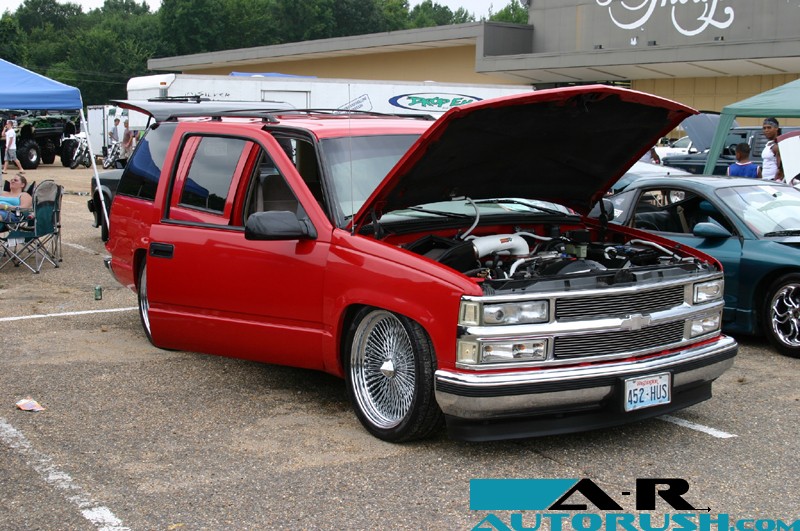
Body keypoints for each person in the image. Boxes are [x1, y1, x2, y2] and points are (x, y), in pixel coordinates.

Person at [761, 117, 783, 181]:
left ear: (776, 128)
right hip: (765, 180)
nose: (766, 130)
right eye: (764, 128)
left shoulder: (777, 146)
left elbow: (781, 168)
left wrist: (776, 181)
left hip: (773, 181)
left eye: (769, 127)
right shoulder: (768, 144)